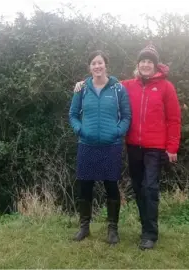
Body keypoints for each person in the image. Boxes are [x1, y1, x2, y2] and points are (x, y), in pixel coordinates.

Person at [73, 44, 182, 250]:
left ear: (156, 65)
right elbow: (103, 81)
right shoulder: (126, 85)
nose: (146, 64)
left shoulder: (166, 87)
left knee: (149, 188)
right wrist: (82, 83)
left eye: (150, 61)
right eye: (143, 61)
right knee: (139, 188)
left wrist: (172, 147)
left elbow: (174, 119)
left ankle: (149, 234)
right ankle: (143, 231)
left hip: (155, 147)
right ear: (138, 64)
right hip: (133, 146)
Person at [69, 50, 131, 244]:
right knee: (85, 187)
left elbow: (127, 116)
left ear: (106, 65)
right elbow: (72, 115)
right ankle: (84, 228)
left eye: (100, 63)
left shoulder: (118, 89)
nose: (97, 66)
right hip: (87, 145)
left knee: (111, 187)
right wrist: (80, 130)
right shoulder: (82, 89)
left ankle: (112, 230)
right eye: (93, 63)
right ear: (90, 67)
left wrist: (117, 132)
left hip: (111, 146)